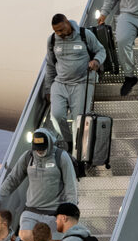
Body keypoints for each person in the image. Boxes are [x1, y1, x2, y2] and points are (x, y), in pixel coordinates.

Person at [0, 127, 78, 240]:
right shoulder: (28, 156)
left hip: (54, 213)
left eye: (42, 148)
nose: (39, 151)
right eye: (37, 149)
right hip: (31, 210)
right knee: (25, 237)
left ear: (49, 144)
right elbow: (12, 179)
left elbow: (71, 187)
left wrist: (69, 214)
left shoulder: (61, 156)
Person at [44, 12, 104, 163]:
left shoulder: (85, 35)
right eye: (56, 31)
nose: (59, 34)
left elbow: (101, 50)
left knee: (80, 120)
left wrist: (96, 61)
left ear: (67, 23)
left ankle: (77, 157)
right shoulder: (52, 40)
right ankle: (69, 141)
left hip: (82, 82)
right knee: (56, 115)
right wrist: (48, 88)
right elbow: (50, 65)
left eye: (61, 30)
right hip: (60, 83)